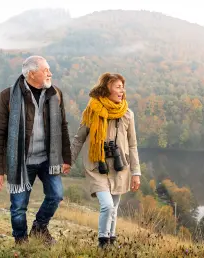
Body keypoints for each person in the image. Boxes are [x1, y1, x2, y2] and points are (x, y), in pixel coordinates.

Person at [0, 55, 72, 245]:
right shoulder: (8, 96)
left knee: (56, 195)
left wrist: (66, 157)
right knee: (18, 207)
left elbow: (63, 126)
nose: (50, 73)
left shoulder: (55, 94)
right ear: (32, 74)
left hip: (47, 158)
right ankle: (21, 241)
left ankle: (39, 228)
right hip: (20, 162)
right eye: (45, 70)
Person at [70, 72, 141, 248]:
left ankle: (111, 240)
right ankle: (103, 242)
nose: (122, 91)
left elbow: (132, 145)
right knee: (107, 206)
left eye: (123, 87)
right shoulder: (92, 112)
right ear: (106, 88)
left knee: (114, 208)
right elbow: (79, 139)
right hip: (97, 166)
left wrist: (136, 172)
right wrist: (68, 161)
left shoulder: (127, 114)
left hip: (119, 167)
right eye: (118, 87)